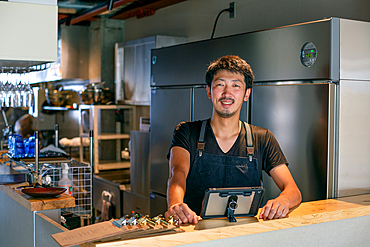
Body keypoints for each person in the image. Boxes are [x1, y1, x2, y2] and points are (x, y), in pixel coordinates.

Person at [164, 55, 302, 224]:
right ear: (209, 91)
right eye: (220, 84)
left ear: (247, 94)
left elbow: (293, 190)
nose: (227, 93)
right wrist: (176, 203)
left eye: (236, 85)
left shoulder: (262, 138)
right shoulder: (187, 132)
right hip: (196, 233)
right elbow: (177, 173)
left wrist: (282, 202)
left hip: (246, 236)